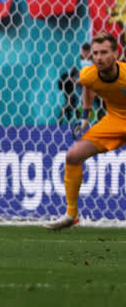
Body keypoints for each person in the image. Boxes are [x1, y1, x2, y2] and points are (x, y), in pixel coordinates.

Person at [45, 32, 126, 230]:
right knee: (73, 156)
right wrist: (85, 116)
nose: (98, 57)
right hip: (114, 121)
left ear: (116, 54)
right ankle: (71, 214)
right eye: (95, 53)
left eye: (104, 52)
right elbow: (87, 86)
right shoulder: (88, 74)